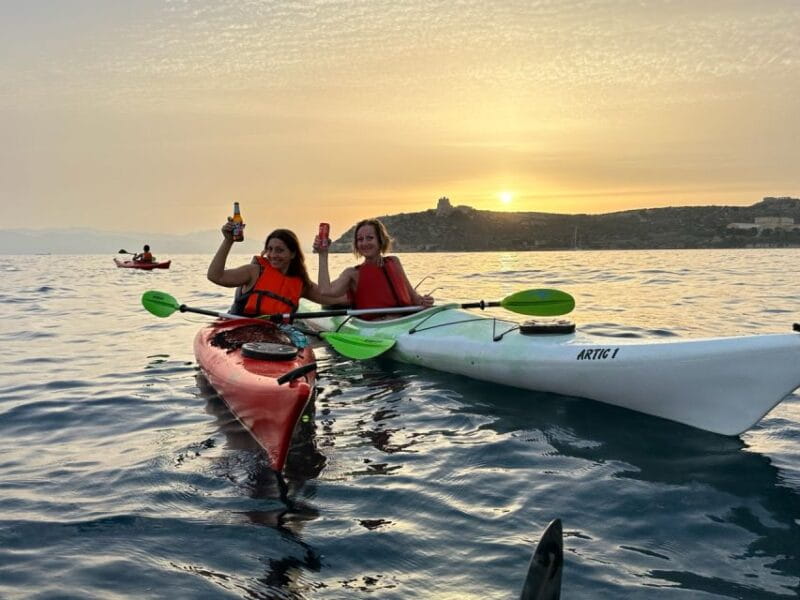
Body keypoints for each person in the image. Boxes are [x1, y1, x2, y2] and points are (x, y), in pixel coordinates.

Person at [208, 219, 347, 319]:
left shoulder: (301, 284)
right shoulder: (253, 272)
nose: (273, 255)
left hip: (274, 336)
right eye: (270, 249)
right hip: (238, 330)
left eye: (279, 250)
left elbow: (332, 298)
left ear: (293, 254)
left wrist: (323, 254)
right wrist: (228, 240)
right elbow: (215, 276)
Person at [314, 218, 433, 317]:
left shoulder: (394, 262)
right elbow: (325, 291)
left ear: (380, 240)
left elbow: (414, 297)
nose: (364, 243)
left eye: (370, 238)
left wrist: (424, 301)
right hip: (376, 326)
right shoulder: (352, 273)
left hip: (406, 322)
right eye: (360, 239)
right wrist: (323, 254)